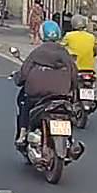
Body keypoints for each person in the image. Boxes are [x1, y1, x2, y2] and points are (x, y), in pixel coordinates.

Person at [13, 20, 77, 151]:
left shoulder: (37, 53)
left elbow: (23, 74)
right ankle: (70, 140)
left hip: (37, 96)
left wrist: (18, 79)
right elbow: (74, 75)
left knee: (24, 102)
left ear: (42, 35)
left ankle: (23, 134)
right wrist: (70, 89)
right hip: (61, 96)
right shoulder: (65, 55)